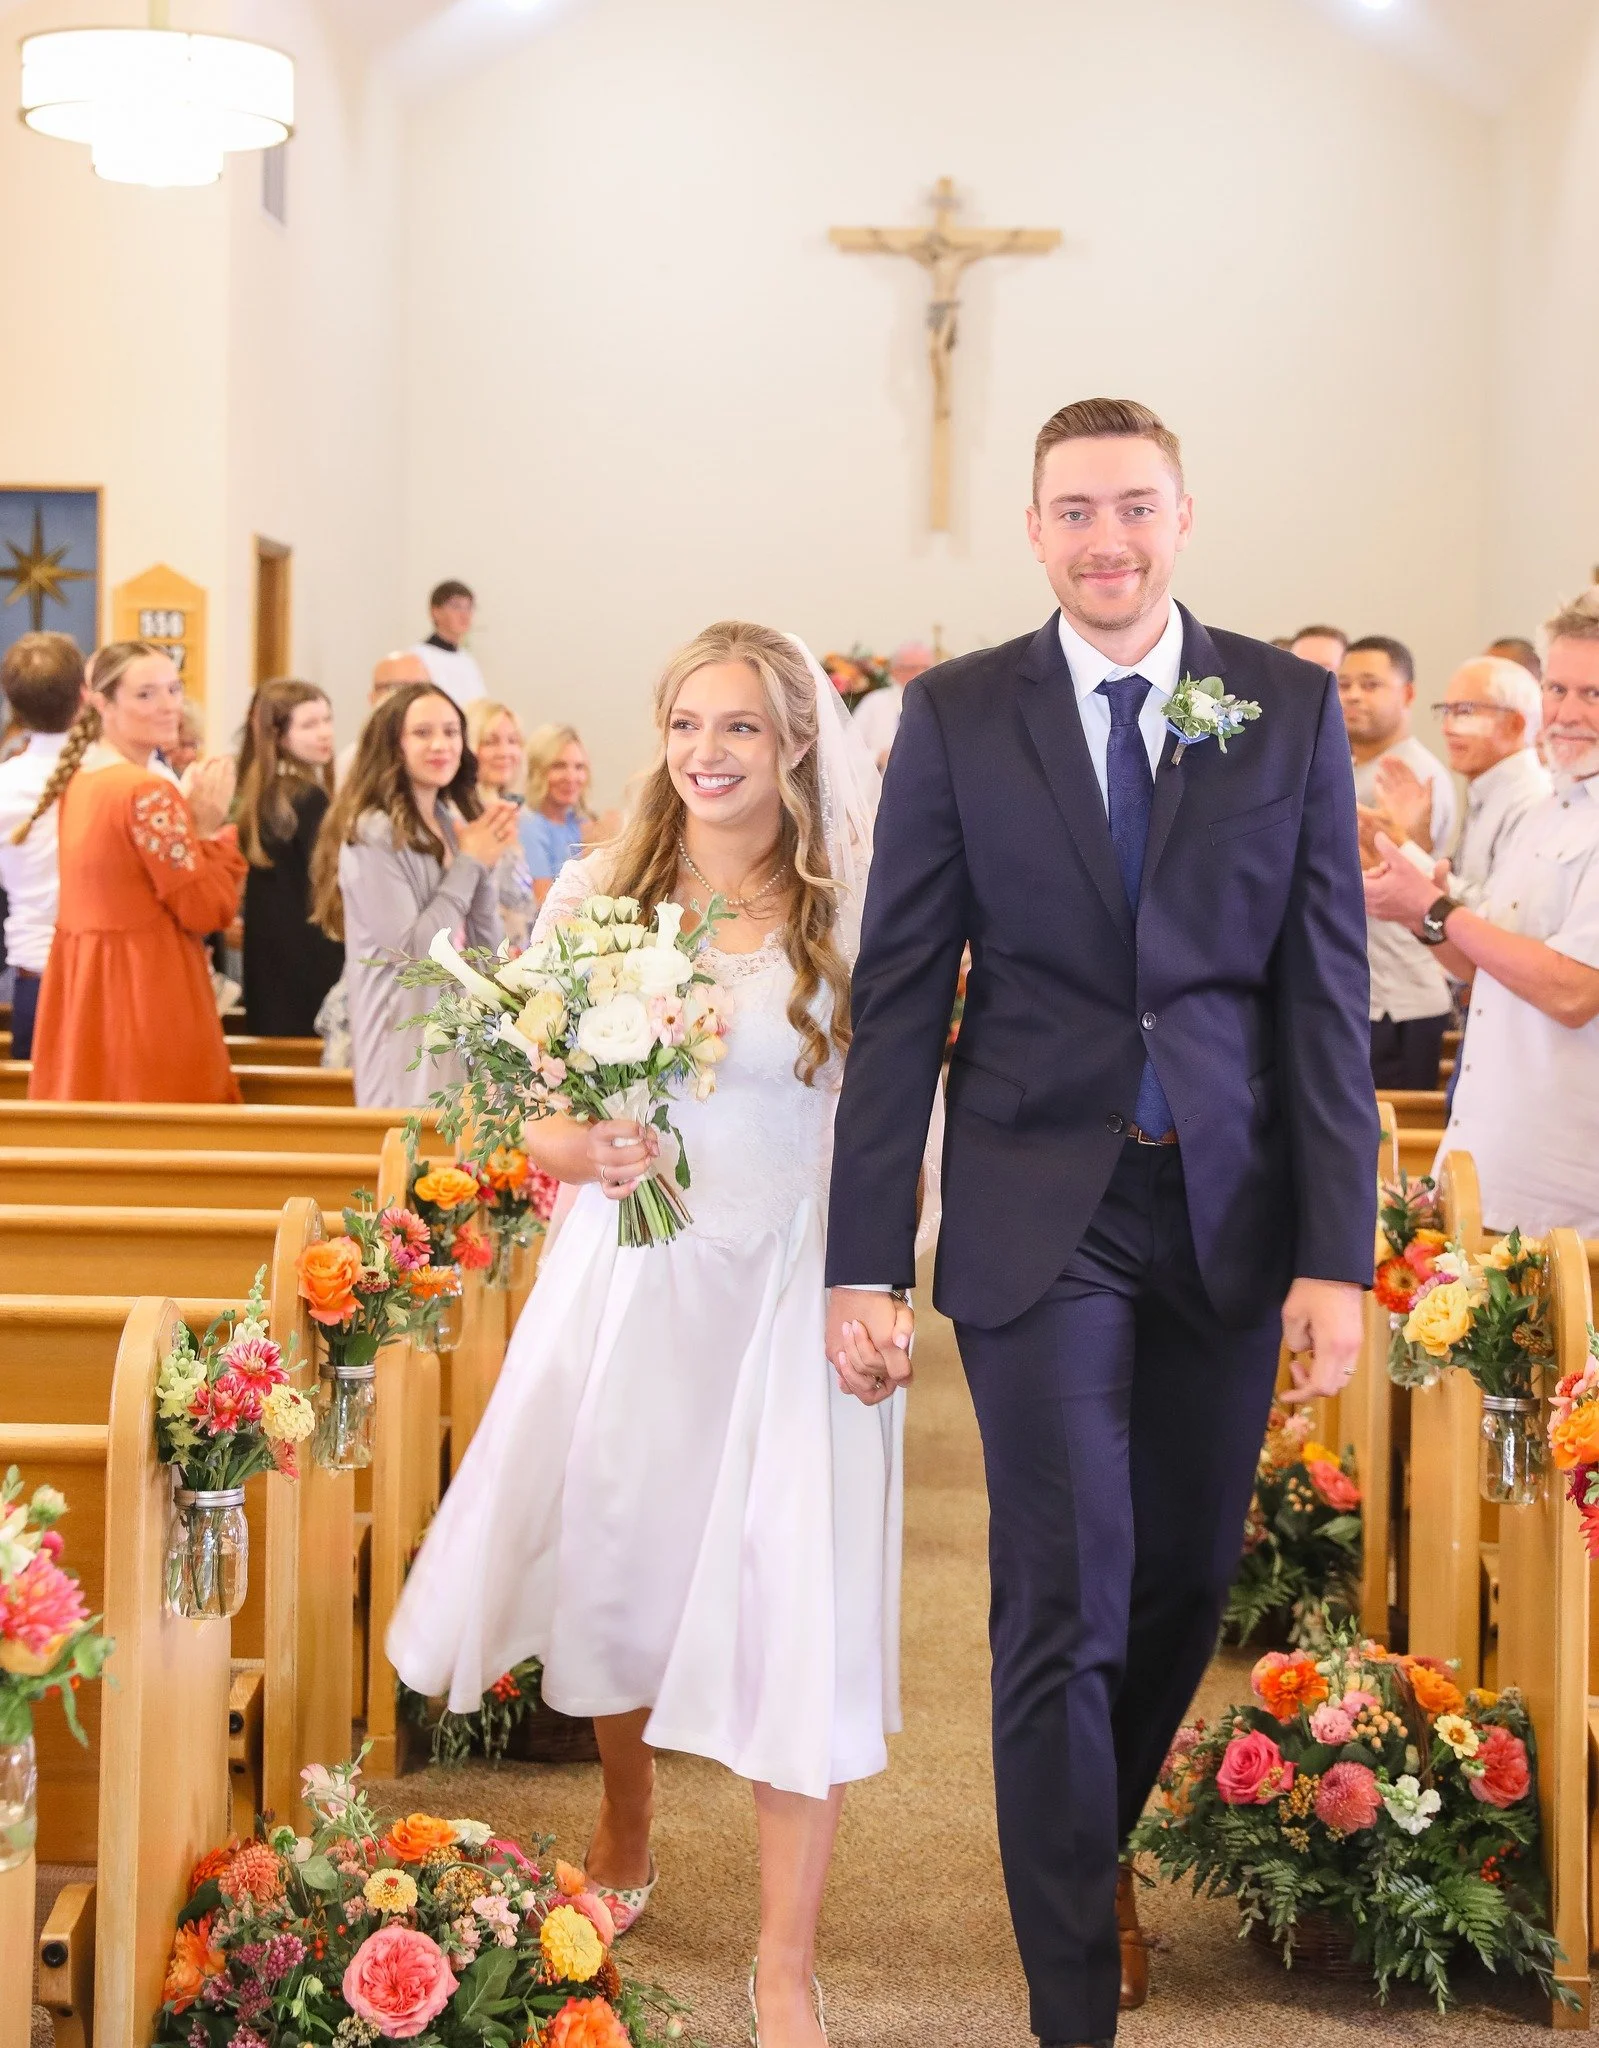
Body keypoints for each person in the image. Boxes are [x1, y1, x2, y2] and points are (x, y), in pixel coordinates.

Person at [825, 398, 1375, 2048]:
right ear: (1032, 527)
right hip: (1030, 1202)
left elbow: (1321, 996)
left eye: (1131, 507)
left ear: (1182, 514)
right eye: (1072, 511)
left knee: (1177, 1585)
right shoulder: (957, 711)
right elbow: (900, 989)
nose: (1103, 541)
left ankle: (1085, 1841)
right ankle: (1070, 1996)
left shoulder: (1283, 704)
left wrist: (1334, 1250)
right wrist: (860, 1250)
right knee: (1063, 1583)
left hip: (1224, 1204)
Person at [389, 622, 906, 2048]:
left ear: (794, 741)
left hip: (795, 1284)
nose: (707, 752)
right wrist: (584, 1143)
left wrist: (884, 1283)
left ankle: (783, 1960)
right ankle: (626, 1810)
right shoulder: (598, 899)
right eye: (686, 723)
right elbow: (529, 1109)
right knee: (626, 1563)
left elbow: (890, 1122)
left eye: (738, 726)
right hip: (635, 1270)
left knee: (791, 1592)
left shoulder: (853, 913)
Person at [1365, 590, 1599, 1236]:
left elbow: (1574, 989)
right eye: (1556, 690)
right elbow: (1478, 962)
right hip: (1489, 1155)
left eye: (1592, 695)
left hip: (1566, 1181)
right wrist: (1417, 908)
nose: (1566, 714)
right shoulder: (1553, 807)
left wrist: (1437, 905)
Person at [19, 642, 244, 1103]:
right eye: (146, 694)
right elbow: (205, 909)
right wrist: (205, 830)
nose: (169, 706)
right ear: (100, 702)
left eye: (174, 689)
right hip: (146, 992)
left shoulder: (80, 782)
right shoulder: (147, 792)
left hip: (88, 990)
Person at [310, 681, 514, 1107]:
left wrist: (482, 865)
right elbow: (413, 952)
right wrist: (470, 864)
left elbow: (487, 951)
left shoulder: (446, 818)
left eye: (451, 732)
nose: (440, 744)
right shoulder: (372, 831)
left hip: (456, 1030)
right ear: (394, 745)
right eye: (423, 733)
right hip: (401, 1040)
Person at [1339, 635, 1458, 1090]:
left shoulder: (1412, 775)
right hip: (1360, 990)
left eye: (1371, 684)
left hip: (1398, 997)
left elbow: (1426, 877)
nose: (1352, 695)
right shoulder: (1350, 767)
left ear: (1408, 694)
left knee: (1386, 1144)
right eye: (1344, 683)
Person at [1358, 655, 1548, 908]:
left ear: (1515, 724)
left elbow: (1492, 916)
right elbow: (1465, 886)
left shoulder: (1531, 800)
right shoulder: (1488, 789)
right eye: (1446, 711)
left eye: (1465, 712)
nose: (1447, 728)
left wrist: (1403, 850)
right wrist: (1417, 842)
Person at [236, 679, 346, 1037]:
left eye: (327, 720)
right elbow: (329, 886)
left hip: (271, 967)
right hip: (308, 962)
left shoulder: (265, 793)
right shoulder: (307, 797)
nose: (324, 733)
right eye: (309, 725)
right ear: (279, 736)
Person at [0, 633, 85, 1061]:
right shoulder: (118, 775)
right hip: (100, 974)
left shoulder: (4, 784)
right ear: (85, 695)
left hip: (33, 971)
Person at [464, 697, 536, 946]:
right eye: (490, 742)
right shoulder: (464, 818)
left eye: (513, 741)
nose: (505, 752)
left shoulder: (511, 811)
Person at [521, 722, 597, 903]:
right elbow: (544, 902)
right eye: (559, 766)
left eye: (579, 767)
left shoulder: (580, 823)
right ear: (537, 770)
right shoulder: (528, 825)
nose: (571, 777)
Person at [335, 650, 431, 785]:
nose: (412, 698)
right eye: (399, 688)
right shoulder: (354, 761)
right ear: (373, 698)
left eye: (421, 689)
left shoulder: (440, 754)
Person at [850, 640, 935, 769]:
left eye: (926, 668)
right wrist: (878, 757)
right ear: (895, 671)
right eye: (911, 668)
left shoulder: (943, 704)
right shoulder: (874, 703)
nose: (920, 674)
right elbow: (847, 752)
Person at [414, 579, 487, 710]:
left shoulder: (467, 660)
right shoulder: (418, 657)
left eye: (469, 607)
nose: (465, 615)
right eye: (456, 606)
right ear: (435, 612)